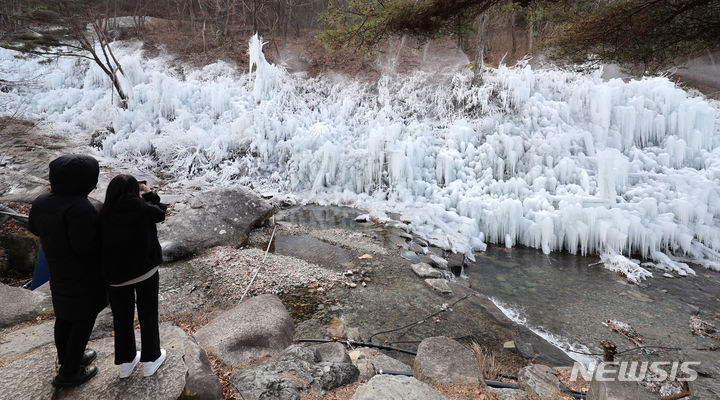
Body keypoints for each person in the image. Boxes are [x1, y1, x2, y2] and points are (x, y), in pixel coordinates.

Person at [28, 154, 107, 387]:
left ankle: (68, 357)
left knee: (64, 317)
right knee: (83, 320)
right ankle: (69, 373)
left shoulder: (41, 201)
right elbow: (85, 247)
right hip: (83, 276)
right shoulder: (80, 207)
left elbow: (34, 227)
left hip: (58, 269)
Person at [99, 175, 167, 378]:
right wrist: (149, 194)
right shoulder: (142, 209)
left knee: (121, 318)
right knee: (147, 314)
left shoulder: (101, 214)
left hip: (115, 278)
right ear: (134, 191)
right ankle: (151, 359)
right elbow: (160, 213)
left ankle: (126, 363)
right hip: (144, 272)